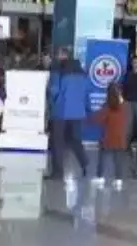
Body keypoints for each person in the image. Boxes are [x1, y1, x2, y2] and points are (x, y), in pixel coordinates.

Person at [45, 47, 90, 179]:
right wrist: (87, 108)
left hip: (61, 112)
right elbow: (87, 93)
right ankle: (84, 163)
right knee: (75, 140)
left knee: (58, 143)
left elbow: (54, 91)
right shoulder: (82, 72)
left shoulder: (57, 69)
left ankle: (58, 173)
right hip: (78, 113)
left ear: (60, 55)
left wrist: (50, 101)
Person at [91, 82, 128, 189]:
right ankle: (118, 179)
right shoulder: (125, 106)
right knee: (118, 160)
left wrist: (88, 119)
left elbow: (99, 119)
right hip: (120, 138)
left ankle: (100, 177)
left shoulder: (108, 106)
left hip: (108, 138)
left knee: (102, 157)